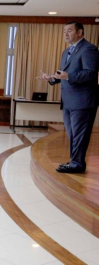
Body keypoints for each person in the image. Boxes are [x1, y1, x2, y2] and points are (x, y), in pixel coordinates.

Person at [37, 21, 99, 173]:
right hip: (68, 101)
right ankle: (75, 162)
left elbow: (90, 73)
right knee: (73, 135)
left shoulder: (89, 49)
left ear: (80, 32)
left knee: (79, 135)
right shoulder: (66, 52)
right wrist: (51, 78)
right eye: (64, 31)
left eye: (69, 31)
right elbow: (63, 74)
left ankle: (77, 164)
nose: (66, 34)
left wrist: (68, 76)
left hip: (83, 101)